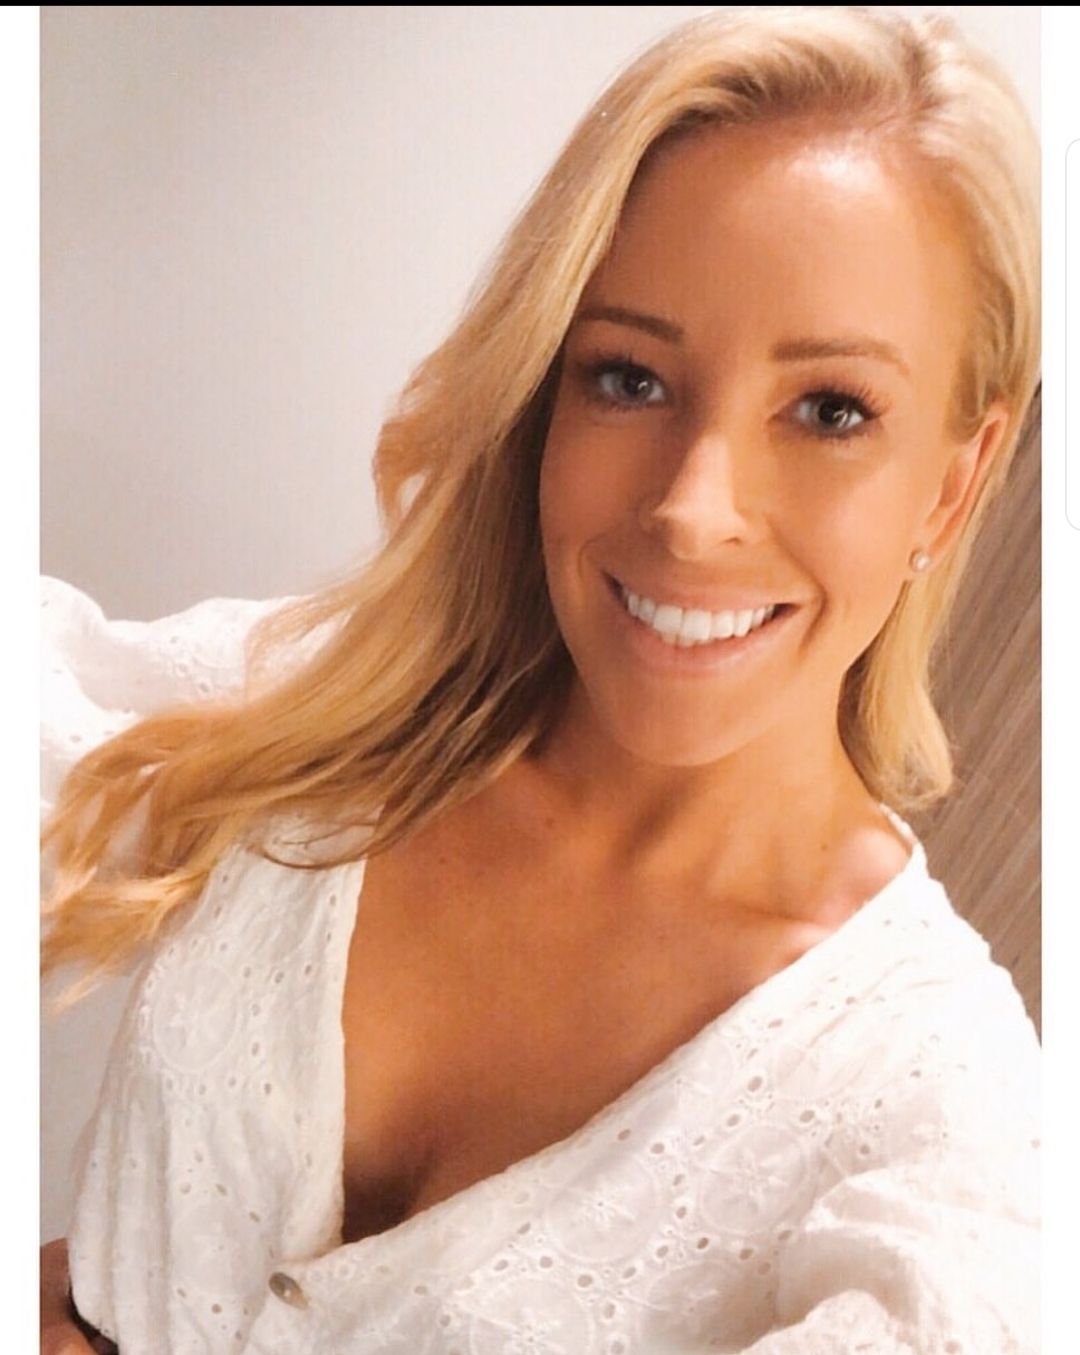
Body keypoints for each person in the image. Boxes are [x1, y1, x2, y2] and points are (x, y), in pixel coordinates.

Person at [41, 5, 1041, 1352]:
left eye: (829, 411)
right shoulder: (330, 712)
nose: (693, 508)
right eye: (629, 378)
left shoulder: (938, 1114)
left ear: (954, 485)